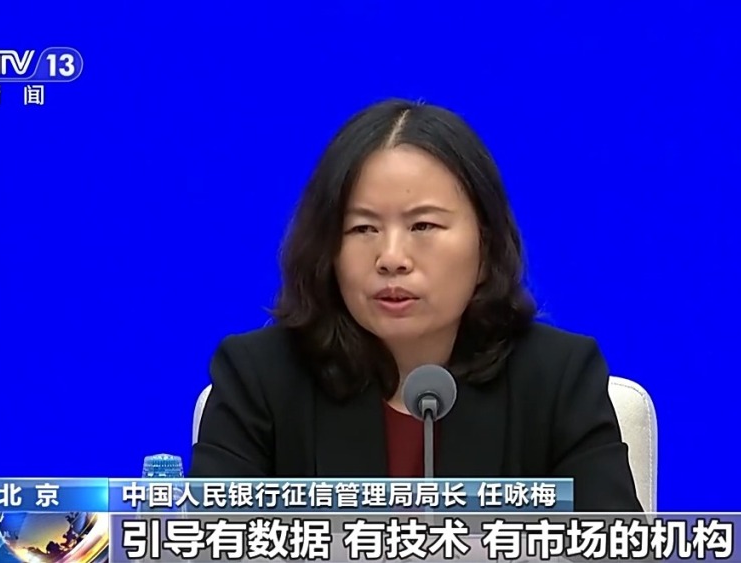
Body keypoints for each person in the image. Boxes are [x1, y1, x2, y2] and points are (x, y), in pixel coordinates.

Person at [189, 98, 643, 512]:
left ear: (485, 248)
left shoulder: (558, 379)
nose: (391, 258)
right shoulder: (259, 379)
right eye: (363, 229)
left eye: (423, 226)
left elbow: (615, 549)